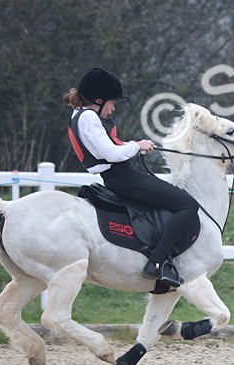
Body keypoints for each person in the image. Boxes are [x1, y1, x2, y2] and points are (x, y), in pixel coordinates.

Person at [64, 67, 198, 289]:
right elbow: (110, 153)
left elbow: (108, 148)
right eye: (111, 103)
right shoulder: (88, 117)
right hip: (122, 177)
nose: (113, 108)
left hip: (120, 175)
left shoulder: (80, 115)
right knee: (187, 205)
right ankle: (156, 263)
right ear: (98, 100)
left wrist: (137, 146)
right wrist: (137, 145)